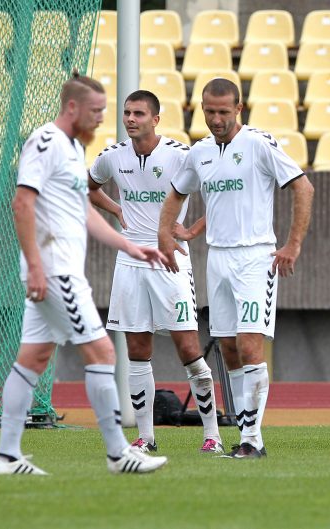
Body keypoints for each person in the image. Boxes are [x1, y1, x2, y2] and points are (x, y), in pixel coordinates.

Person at [0, 73, 169, 475]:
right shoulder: (46, 142)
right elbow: (21, 204)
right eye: (96, 112)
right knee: (103, 352)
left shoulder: (73, 148)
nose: (101, 119)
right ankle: (117, 454)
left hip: (57, 271)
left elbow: (84, 211)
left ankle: (7, 456)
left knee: (33, 358)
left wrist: (130, 245)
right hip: (54, 273)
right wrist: (36, 266)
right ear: (72, 108)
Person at [158, 78, 314, 459]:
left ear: (238, 110)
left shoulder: (259, 143)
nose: (215, 119)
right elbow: (179, 193)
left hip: (256, 257)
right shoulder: (199, 152)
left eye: (223, 112)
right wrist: (168, 232)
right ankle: (246, 432)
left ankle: (252, 440)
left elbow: (303, 187)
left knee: (249, 343)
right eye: (209, 111)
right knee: (228, 348)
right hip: (218, 258)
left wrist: (292, 244)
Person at [88, 90, 223, 454]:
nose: (131, 119)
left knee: (189, 348)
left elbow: (220, 194)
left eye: (139, 114)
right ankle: (145, 437)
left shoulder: (181, 156)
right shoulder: (113, 157)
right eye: (127, 113)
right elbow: (88, 188)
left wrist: (191, 231)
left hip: (171, 259)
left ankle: (212, 434)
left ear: (156, 119)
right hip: (130, 260)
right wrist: (116, 209)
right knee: (137, 348)